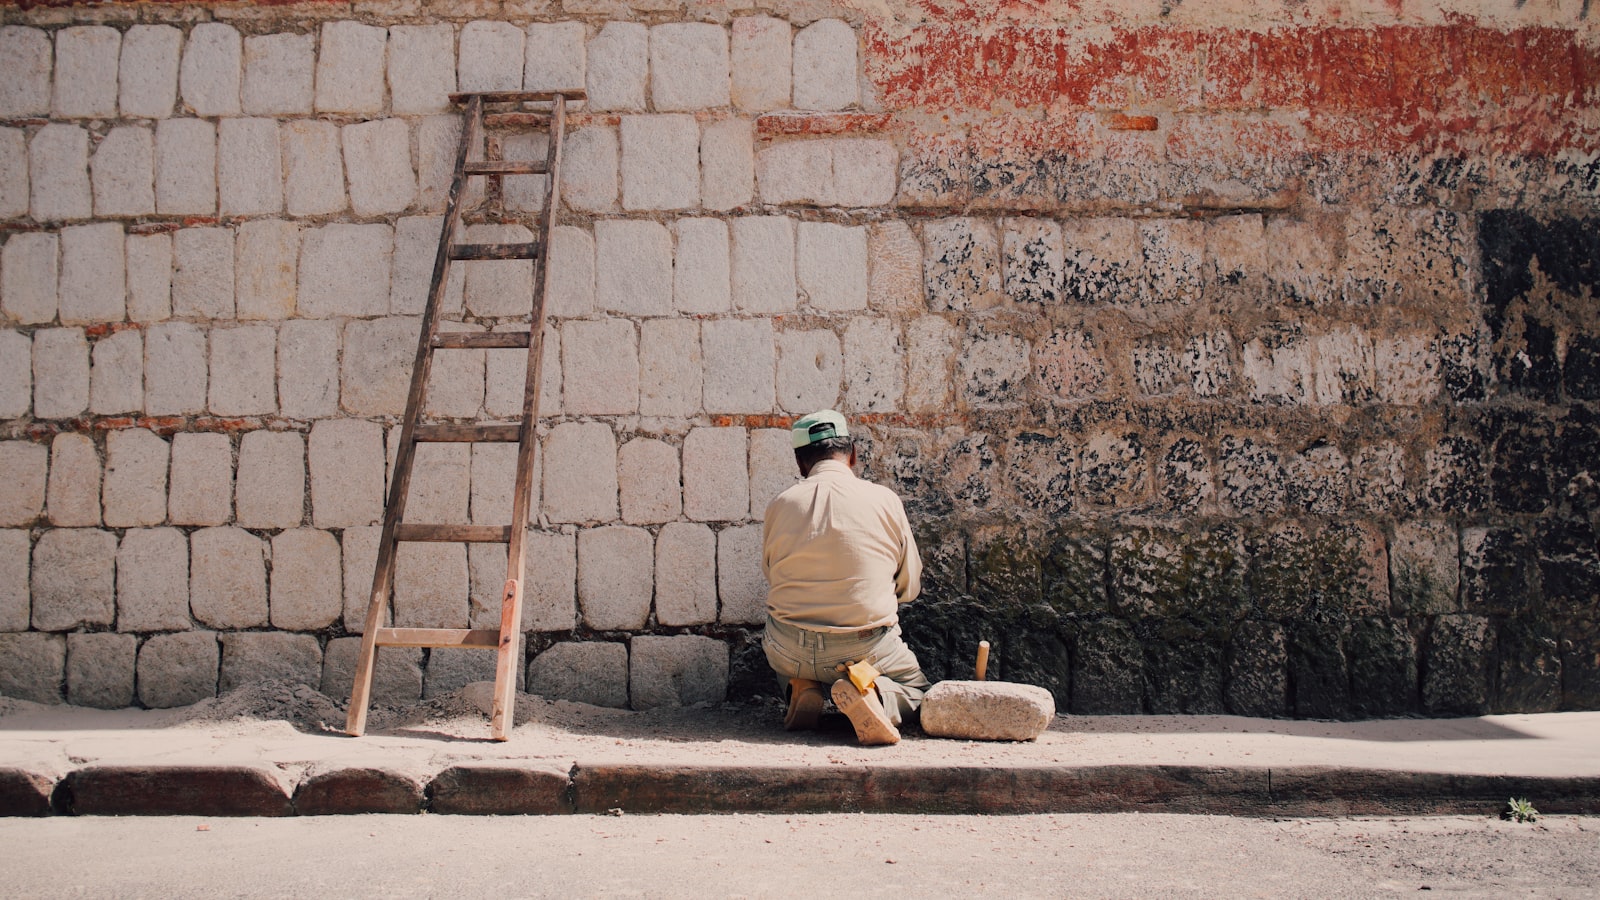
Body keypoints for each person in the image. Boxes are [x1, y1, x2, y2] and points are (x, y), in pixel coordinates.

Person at [760, 409, 931, 746]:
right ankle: (873, 694)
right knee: (918, 690)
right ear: (853, 454)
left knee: (780, 641)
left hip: (790, 647)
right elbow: (909, 587)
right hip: (864, 646)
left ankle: (801, 687)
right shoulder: (885, 501)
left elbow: (772, 575)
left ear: (800, 464)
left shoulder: (780, 505)